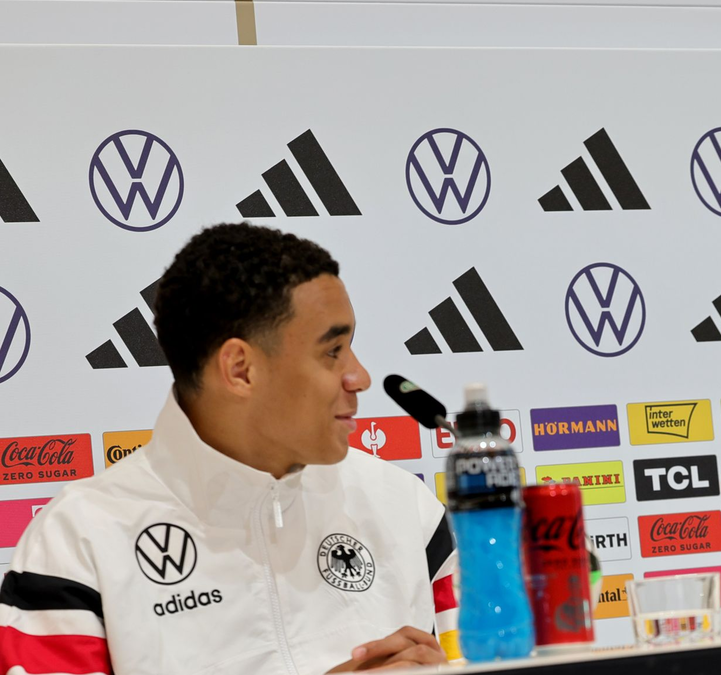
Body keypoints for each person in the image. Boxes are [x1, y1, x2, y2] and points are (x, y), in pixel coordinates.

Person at [0, 223, 457, 674]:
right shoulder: (77, 542)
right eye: (333, 350)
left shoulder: (405, 508)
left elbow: (480, 660)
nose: (360, 377)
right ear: (240, 369)